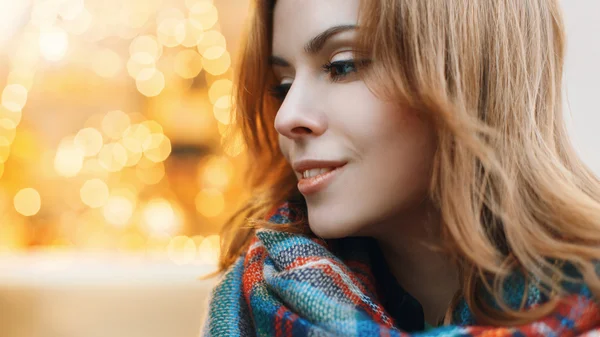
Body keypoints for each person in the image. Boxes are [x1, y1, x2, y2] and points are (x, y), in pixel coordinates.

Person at [203, 0, 600, 336]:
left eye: (343, 65)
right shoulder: (256, 299)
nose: (286, 117)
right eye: (283, 85)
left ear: (468, 72)